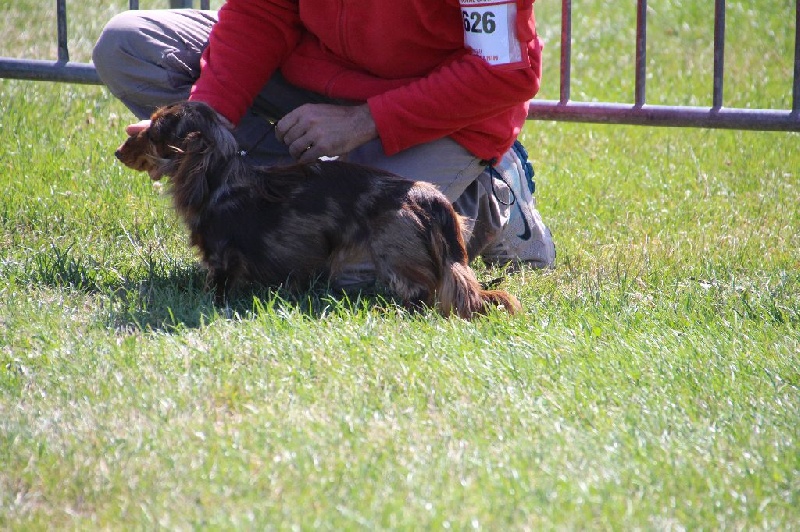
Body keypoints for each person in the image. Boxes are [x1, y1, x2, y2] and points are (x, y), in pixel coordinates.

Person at [92, 1, 556, 275]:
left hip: (441, 112)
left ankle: (489, 194)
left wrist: (365, 120)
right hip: (311, 74)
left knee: (355, 269)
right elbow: (261, 12)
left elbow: (503, 72)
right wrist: (203, 119)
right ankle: (295, 196)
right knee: (129, 45)